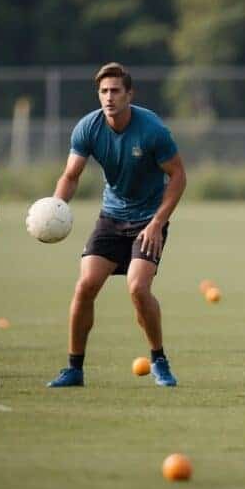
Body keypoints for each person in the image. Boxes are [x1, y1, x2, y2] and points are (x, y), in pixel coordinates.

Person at [47, 62, 187, 388]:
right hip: (111, 218)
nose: (109, 97)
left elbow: (178, 176)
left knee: (138, 288)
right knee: (85, 286)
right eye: (104, 91)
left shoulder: (152, 129)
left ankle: (159, 360)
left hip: (148, 219)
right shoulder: (88, 128)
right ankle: (74, 369)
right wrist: (56, 206)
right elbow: (71, 175)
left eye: (115, 91)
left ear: (129, 94)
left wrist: (157, 223)